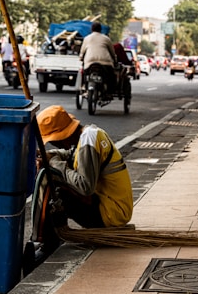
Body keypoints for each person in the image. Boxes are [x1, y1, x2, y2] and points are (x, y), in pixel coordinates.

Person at [31, 105, 133, 248]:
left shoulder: (89, 140)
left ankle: (43, 239)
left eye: (53, 141)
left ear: (62, 136)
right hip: (113, 208)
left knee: (57, 193)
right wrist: (50, 156)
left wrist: (54, 164)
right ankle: (49, 237)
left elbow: (85, 187)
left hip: (111, 213)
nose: (53, 144)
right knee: (58, 177)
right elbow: (69, 155)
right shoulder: (87, 135)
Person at [79, 21, 117, 94]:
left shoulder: (87, 38)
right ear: (100, 29)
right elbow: (112, 52)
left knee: (85, 74)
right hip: (105, 62)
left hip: (90, 62)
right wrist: (115, 60)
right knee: (111, 77)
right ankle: (110, 92)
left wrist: (81, 58)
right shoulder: (106, 39)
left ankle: (84, 86)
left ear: (91, 29)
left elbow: (82, 52)